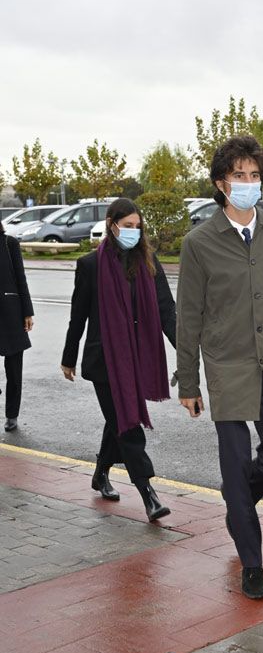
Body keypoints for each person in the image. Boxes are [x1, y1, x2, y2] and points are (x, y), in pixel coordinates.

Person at [176, 135, 263, 599]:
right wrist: (189, 381)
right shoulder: (200, 243)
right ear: (221, 184)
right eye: (239, 176)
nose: (249, 183)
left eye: (255, 176)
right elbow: (188, 316)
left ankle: (238, 505)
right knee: (235, 465)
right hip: (227, 365)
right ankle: (252, 564)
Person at [61, 198, 176, 522]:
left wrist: (185, 347)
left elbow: (166, 309)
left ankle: (100, 473)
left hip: (136, 358)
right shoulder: (90, 265)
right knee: (128, 424)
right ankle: (148, 495)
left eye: (138, 227)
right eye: (128, 227)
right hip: (104, 361)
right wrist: (69, 357)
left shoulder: (148, 261)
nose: (134, 233)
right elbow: (78, 316)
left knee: (117, 419)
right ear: (112, 225)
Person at [0, 221, 34, 432]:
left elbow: (21, 278)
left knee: (14, 370)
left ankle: (12, 415)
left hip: (11, 313)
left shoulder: (9, 243)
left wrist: (27, 312)